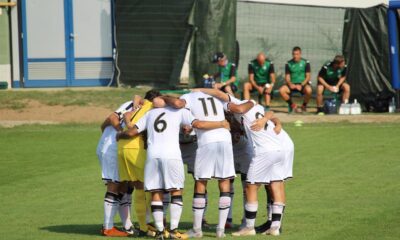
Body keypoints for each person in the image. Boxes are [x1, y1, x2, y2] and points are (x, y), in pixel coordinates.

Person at [116, 103, 230, 240]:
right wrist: (221, 123)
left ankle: (160, 232)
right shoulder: (180, 111)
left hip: (153, 155)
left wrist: (120, 133)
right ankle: (174, 230)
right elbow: (199, 124)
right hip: (172, 155)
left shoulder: (151, 113)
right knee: (176, 191)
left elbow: (132, 131)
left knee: (155, 192)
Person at [194, 88, 293, 237]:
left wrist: (201, 91)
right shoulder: (256, 107)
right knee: (276, 184)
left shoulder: (240, 106)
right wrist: (265, 118)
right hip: (279, 148)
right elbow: (271, 113)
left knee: (250, 187)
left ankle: (249, 226)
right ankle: (275, 227)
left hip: (264, 150)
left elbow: (225, 98)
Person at [161, 92, 236, 238]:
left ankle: (197, 230)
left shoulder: (189, 96)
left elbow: (179, 105)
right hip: (225, 138)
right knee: (224, 181)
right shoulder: (216, 97)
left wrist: (165, 98)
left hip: (207, 140)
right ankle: (220, 230)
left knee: (201, 182)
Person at [117, 90, 162, 236]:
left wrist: (130, 119)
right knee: (149, 187)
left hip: (122, 148)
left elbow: (129, 109)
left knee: (138, 186)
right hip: (135, 148)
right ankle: (150, 225)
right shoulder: (151, 107)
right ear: (155, 99)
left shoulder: (140, 106)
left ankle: (144, 226)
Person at [97, 100, 135, 237]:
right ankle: (108, 227)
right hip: (112, 149)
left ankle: (128, 225)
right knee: (114, 185)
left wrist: (104, 132)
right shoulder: (134, 105)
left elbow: (107, 121)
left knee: (125, 186)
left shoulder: (134, 104)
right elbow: (112, 117)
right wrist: (120, 131)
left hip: (116, 149)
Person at [279, 47, 312, 113]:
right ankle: (293, 106)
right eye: (294, 54)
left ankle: (304, 106)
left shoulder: (306, 62)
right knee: (281, 90)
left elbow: (308, 77)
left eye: (297, 54)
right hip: (292, 85)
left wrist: (301, 85)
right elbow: (287, 77)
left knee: (309, 90)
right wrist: (290, 84)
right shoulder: (288, 63)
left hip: (302, 85)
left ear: (300, 54)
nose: (295, 56)